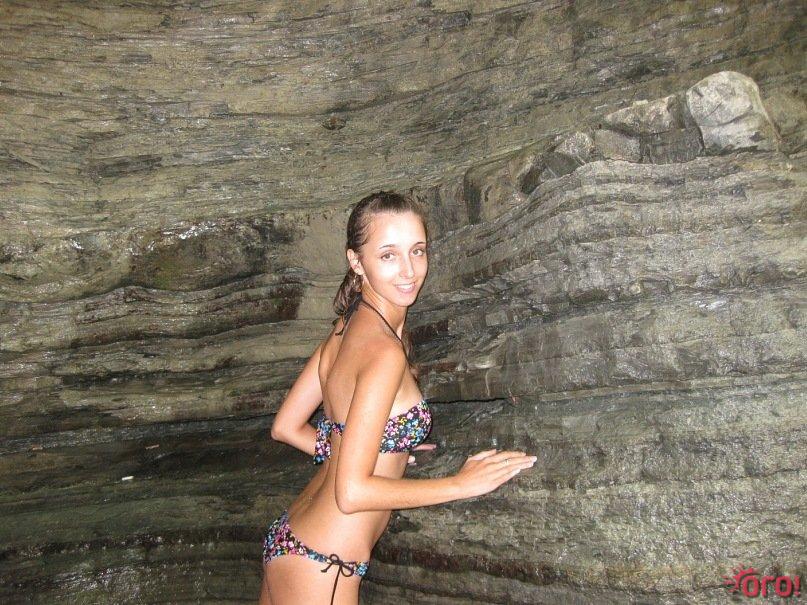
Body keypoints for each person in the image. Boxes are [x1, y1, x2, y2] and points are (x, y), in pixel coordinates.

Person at [259, 191, 537, 604]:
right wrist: (459, 484)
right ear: (357, 261)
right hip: (325, 564)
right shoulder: (384, 352)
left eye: (417, 251)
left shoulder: (344, 327)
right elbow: (351, 493)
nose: (409, 270)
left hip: (290, 537)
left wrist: (384, 447)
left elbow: (285, 427)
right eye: (388, 255)